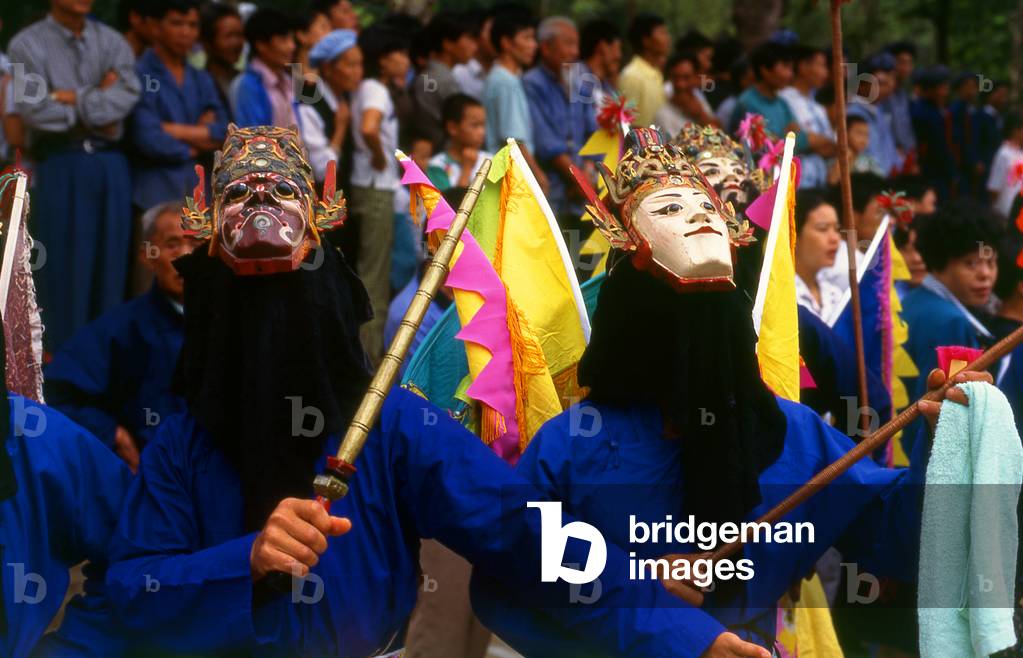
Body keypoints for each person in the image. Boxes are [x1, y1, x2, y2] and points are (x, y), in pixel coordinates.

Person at [104, 124, 777, 658]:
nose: (259, 208)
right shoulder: (184, 444)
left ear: (323, 260)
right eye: (239, 200)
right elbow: (130, 592)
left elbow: (529, 538)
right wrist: (240, 560)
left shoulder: (393, 427)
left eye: (283, 202)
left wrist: (685, 637)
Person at [471, 127, 981, 655]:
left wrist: (945, 440)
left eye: (721, 318)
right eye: (669, 209)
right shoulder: (573, 446)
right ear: (631, 312)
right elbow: (501, 589)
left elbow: (900, 541)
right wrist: (628, 589)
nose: (696, 217)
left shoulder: (793, 437)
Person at [8, 0, 142, 351]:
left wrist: (70, 98)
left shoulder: (112, 41)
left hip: (110, 162)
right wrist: (97, 98)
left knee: (111, 270)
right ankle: (62, 371)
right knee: (66, 269)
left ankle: (106, 373)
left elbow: (128, 96)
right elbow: (35, 110)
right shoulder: (27, 43)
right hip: (63, 162)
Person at [44, 200, 197, 471]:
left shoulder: (230, 323)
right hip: (147, 478)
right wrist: (113, 434)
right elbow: (58, 393)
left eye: (196, 244)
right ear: (147, 255)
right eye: (172, 245)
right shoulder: (122, 328)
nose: (185, 256)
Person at [901, 200, 1003, 456]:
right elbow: (947, 413)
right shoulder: (951, 323)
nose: (985, 275)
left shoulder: (914, 302)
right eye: (971, 263)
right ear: (939, 263)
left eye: (991, 263)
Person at [130, 0, 228, 211]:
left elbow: (223, 132)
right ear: (156, 27)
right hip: (155, 192)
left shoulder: (201, 78)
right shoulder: (138, 73)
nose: (186, 32)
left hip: (199, 195)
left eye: (192, 25)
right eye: (177, 23)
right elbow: (148, 138)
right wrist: (198, 142)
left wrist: (171, 129)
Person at [349, 23, 408, 366]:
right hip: (375, 189)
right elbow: (369, 127)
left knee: (371, 271)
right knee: (375, 277)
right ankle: (371, 362)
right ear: (384, 60)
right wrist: (382, 157)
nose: (405, 61)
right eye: (399, 54)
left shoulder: (368, 88)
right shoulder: (376, 90)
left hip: (369, 187)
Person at [523, 16, 596, 217]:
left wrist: (587, 173)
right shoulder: (532, 83)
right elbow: (546, 142)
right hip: (552, 187)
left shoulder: (580, 80)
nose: (576, 52)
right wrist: (578, 179)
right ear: (546, 48)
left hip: (585, 189)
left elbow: (593, 129)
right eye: (569, 44)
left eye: (576, 44)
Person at [482, 9, 546, 190]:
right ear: (506, 43)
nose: (533, 45)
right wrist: (538, 177)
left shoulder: (502, 77)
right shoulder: (506, 82)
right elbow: (513, 140)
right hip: (510, 176)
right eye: (526, 38)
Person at [301, 29, 362, 185]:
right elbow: (321, 170)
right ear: (328, 68)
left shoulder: (348, 97)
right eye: (351, 65)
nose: (358, 72)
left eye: (360, 64)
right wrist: (340, 130)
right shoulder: (309, 105)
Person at [412, 11, 477, 151]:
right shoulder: (442, 79)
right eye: (469, 39)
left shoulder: (431, 75)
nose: (474, 46)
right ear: (448, 44)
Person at [779, 44, 836, 189]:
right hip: (797, 182)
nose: (826, 73)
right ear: (803, 67)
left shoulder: (819, 108)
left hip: (820, 180)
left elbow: (832, 147)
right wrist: (812, 142)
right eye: (821, 66)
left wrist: (815, 142)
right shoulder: (784, 100)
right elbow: (795, 140)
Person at [231, 8, 298, 129]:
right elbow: (253, 139)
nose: (292, 46)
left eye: (292, 39)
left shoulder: (287, 80)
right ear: (261, 45)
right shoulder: (247, 86)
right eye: (283, 40)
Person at [846, 52, 899, 177]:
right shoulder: (854, 113)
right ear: (862, 84)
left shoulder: (878, 110)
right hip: (867, 178)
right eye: (880, 83)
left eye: (888, 82)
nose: (889, 86)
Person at [794, 190, 843, 320]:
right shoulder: (781, 295)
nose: (835, 238)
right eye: (823, 228)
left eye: (837, 229)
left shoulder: (835, 295)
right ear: (794, 236)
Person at [911, 65, 957, 200]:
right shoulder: (923, 113)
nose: (946, 91)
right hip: (931, 172)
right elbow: (938, 147)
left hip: (940, 172)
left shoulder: (937, 110)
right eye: (942, 87)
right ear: (930, 90)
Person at [426, 93, 490, 191]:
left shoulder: (490, 161)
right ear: (453, 128)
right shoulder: (437, 167)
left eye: (483, 125)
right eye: (475, 125)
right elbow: (452, 205)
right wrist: (466, 169)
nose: (482, 132)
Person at [617, 13, 670, 128]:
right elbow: (626, 125)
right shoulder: (632, 76)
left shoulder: (656, 73)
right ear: (646, 41)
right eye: (662, 33)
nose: (668, 38)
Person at [199, 2, 243, 119]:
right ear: (207, 42)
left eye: (239, 35)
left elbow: (298, 104)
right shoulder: (199, 85)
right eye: (228, 36)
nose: (236, 43)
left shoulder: (246, 79)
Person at [654, 52, 713, 136]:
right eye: (676, 77)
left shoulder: (699, 99)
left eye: (686, 78)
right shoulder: (662, 107)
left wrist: (701, 115)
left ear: (696, 77)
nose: (680, 84)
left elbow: (716, 130)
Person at [883, 40, 917, 169]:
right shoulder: (880, 95)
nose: (906, 68)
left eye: (909, 63)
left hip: (905, 159)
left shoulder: (903, 95)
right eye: (901, 62)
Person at [949, 71, 982, 198]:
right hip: (962, 165)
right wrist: (972, 161)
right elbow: (959, 140)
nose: (972, 90)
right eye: (968, 86)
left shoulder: (973, 110)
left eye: (974, 86)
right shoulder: (955, 110)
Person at [452, 8, 496, 100]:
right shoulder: (458, 74)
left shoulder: (506, 71)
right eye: (492, 32)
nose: (498, 37)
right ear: (476, 35)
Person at [986, 111, 1023, 218]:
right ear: (1016, 130)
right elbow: (994, 188)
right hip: (1004, 214)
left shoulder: (1020, 153)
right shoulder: (1003, 154)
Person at [578, 18, 621, 110]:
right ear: (602, 47)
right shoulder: (579, 80)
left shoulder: (606, 85)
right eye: (617, 48)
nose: (619, 56)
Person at [828, 115, 883, 183]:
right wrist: (845, 159)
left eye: (867, 135)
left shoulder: (870, 161)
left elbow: (881, 184)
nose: (863, 140)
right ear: (844, 134)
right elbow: (832, 182)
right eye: (859, 133)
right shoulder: (832, 159)